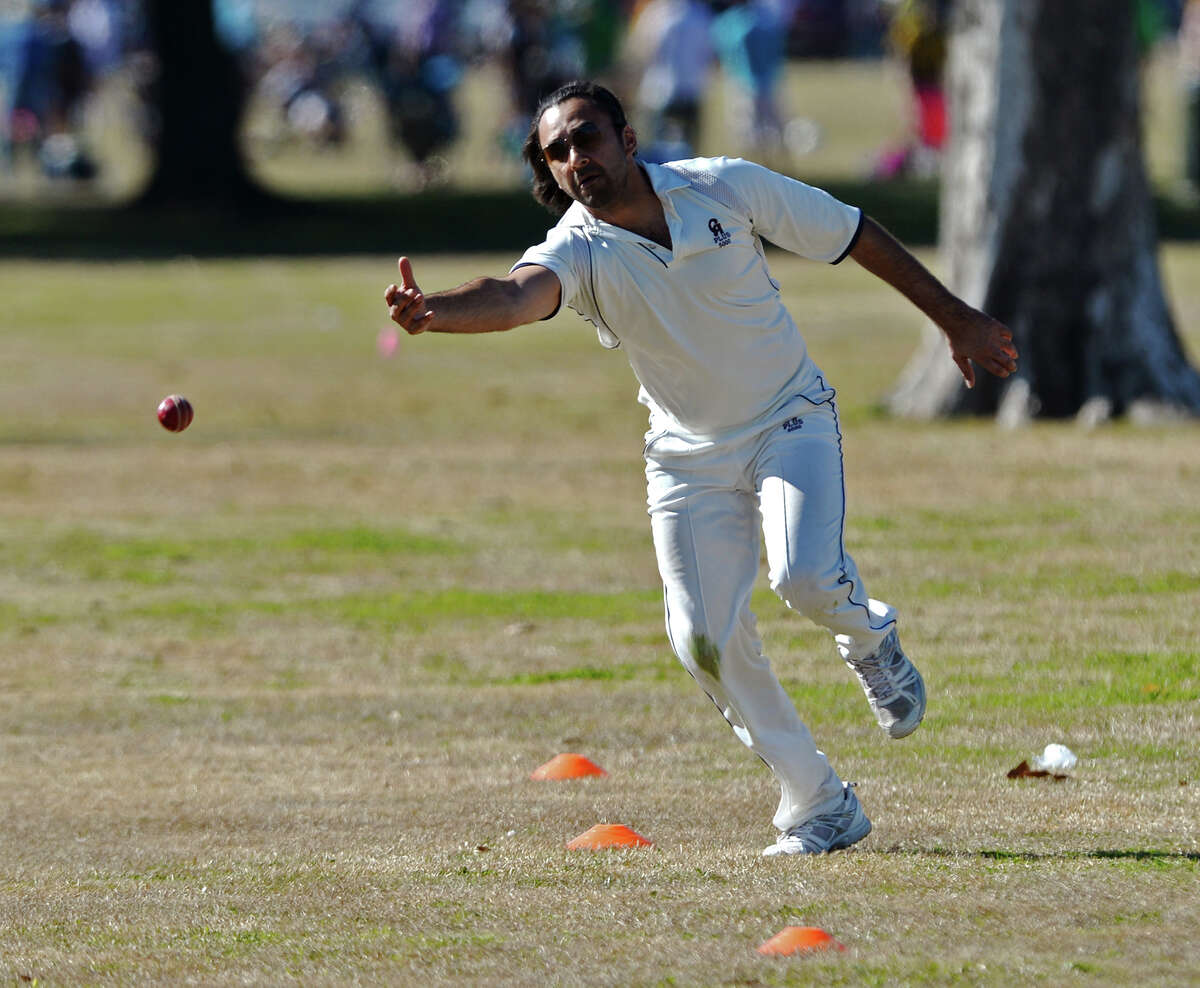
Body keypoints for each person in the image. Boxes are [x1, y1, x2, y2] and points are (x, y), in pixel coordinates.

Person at [384, 81, 1018, 856]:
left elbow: (852, 233)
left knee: (805, 577)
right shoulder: (576, 250)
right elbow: (515, 295)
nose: (577, 159)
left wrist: (955, 317)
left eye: (587, 137)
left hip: (790, 417)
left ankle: (868, 639)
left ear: (627, 137)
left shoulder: (725, 184)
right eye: (559, 153)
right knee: (701, 639)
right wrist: (436, 310)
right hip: (685, 457)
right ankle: (819, 803)